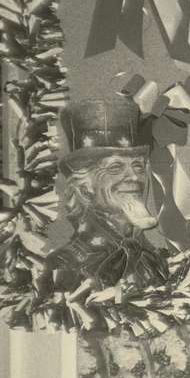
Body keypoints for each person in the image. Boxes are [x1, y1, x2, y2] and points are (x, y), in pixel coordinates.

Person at [45, 98, 166, 292]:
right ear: (85, 186)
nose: (134, 176)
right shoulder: (67, 263)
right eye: (116, 167)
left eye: (138, 166)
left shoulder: (151, 256)